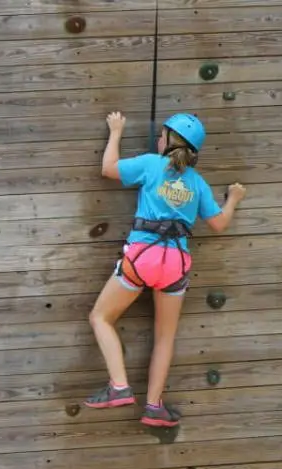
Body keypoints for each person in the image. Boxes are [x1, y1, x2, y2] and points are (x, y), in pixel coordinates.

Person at [83, 111, 246, 427]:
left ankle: (119, 385)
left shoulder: (150, 164)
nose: (157, 139)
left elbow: (108, 169)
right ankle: (154, 406)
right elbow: (219, 223)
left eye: (161, 135)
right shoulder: (197, 184)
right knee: (165, 338)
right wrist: (234, 199)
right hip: (175, 265)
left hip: (143, 257)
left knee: (100, 317)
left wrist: (116, 131)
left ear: (169, 141)